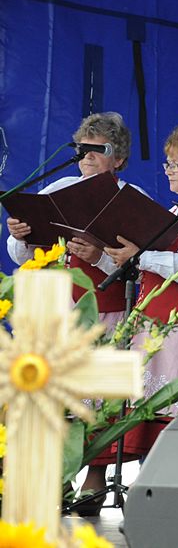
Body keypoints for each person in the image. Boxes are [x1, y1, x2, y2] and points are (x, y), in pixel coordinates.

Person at [5, 111, 144, 514]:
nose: (85, 156)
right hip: (58, 306)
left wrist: (100, 255)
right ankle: (52, 480)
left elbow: (141, 262)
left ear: (117, 157)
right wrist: (20, 234)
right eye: (81, 148)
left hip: (106, 307)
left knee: (95, 398)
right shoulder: (60, 187)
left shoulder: (132, 198)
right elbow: (23, 253)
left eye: (96, 149)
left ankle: (94, 479)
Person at [103, 120, 178, 451]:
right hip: (161, 316)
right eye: (167, 163)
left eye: (176, 164)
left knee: (176, 409)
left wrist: (139, 255)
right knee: (151, 408)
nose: (168, 171)